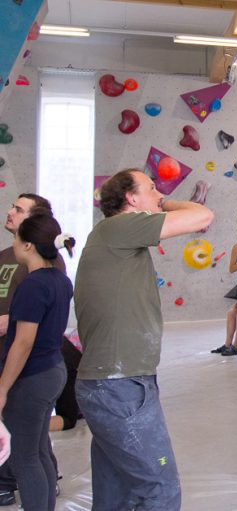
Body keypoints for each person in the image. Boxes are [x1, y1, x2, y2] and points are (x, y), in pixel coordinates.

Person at [74, 169, 214, 510]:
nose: (158, 194)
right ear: (130, 199)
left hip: (113, 384)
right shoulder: (118, 226)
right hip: (118, 386)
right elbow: (202, 216)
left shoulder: (116, 237)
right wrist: (165, 203)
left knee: (116, 493)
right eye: (151, 189)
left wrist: (159, 202)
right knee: (161, 488)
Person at [0, 213, 74, 511]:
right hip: (53, 370)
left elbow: (23, 341)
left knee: (24, 457)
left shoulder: (33, 285)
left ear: (28, 245)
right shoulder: (59, 279)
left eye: (17, 238)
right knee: (39, 450)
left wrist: (3, 387)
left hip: (33, 377)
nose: (14, 244)